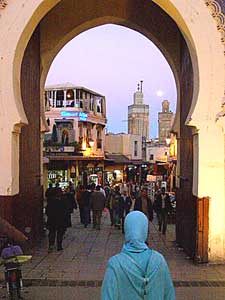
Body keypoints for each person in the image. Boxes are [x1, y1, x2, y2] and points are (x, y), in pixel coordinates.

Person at [101, 211, 175, 300]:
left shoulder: (116, 264)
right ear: (145, 230)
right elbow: (169, 295)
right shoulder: (159, 260)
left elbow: (107, 296)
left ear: (127, 229)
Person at [46, 184, 67, 251]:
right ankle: (59, 246)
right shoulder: (63, 201)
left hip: (52, 220)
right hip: (61, 220)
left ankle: (51, 245)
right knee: (60, 233)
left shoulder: (51, 201)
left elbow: (47, 211)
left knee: (52, 232)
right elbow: (66, 210)